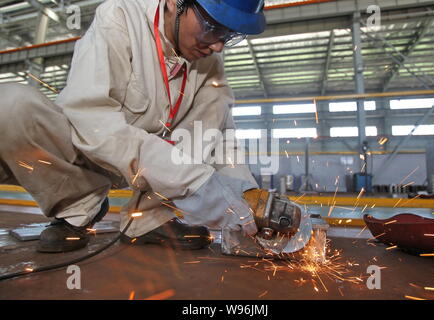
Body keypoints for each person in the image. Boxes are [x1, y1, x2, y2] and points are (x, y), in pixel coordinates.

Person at [0, 0, 266, 253]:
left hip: (148, 175)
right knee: (9, 105)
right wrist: (197, 182)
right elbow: (92, 121)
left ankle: (148, 218)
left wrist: (249, 198)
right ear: (175, 2)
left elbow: (218, 136)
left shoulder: (210, 61)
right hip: (83, 153)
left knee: (206, 125)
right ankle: (78, 205)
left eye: (230, 34)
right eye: (213, 26)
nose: (219, 45)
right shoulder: (120, 16)